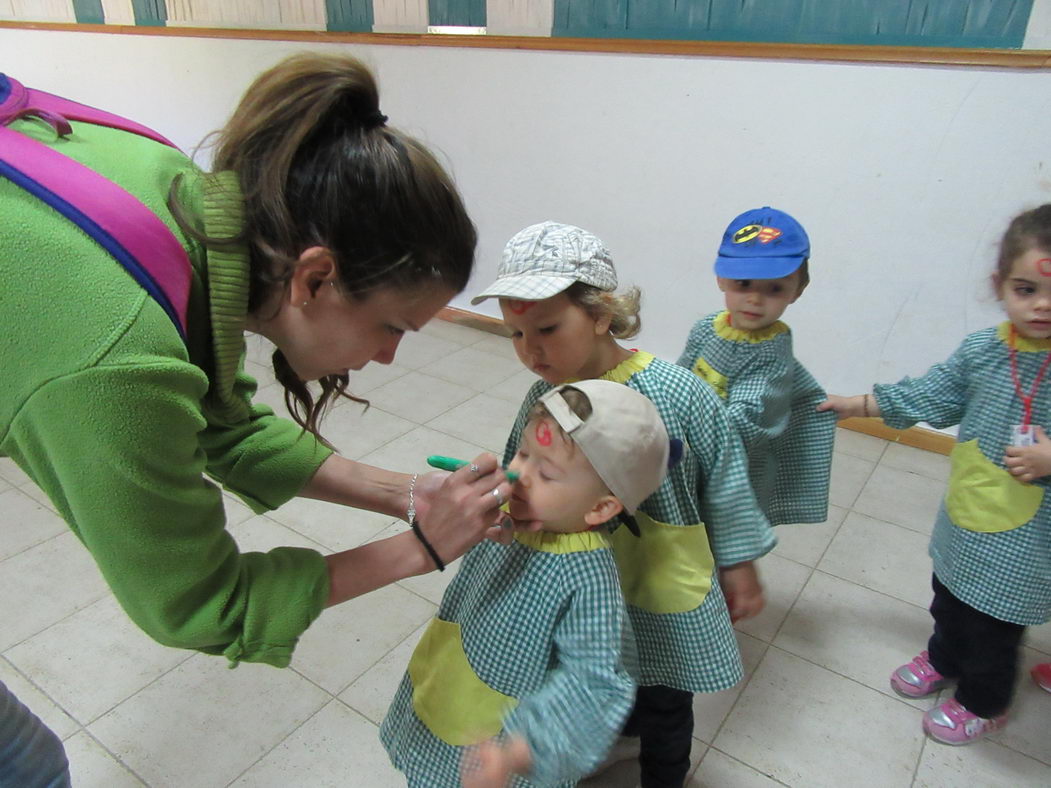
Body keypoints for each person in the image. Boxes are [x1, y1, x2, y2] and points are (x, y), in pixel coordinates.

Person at [0, 54, 510, 785]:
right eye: (392, 327)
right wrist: (420, 549)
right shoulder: (116, 360)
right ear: (314, 277)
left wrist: (406, 495)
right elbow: (200, 606)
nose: (390, 358)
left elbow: (221, 420)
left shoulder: (180, 192)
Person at [472, 221, 775, 788]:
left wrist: (739, 563)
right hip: (584, 576)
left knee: (664, 698)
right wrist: (514, 501)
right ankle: (610, 734)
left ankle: (663, 776)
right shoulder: (546, 395)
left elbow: (727, 481)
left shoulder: (678, 393)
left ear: (601, 314)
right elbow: (525, 469)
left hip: (660, 579)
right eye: (515, 334)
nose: (531, 350)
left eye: (547, 328)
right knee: (599, 670)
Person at [818, 204, 1051, 745]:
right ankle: (945, 655)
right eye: (1025, 290)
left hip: (1029, 535)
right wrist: (857, 403)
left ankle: (984, 701)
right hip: (969, 513)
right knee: (949, 592)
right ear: (999, 285)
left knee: (996, 626)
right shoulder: (983, 350)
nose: (1042, 306)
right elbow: (931, 392)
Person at [381, 379, 670, 787]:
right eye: (522, 453)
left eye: (546, 473)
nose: (518, 475)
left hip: (502, 748)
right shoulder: (508, 517)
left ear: (601, 507)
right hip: (452, 682)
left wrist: (518, 751)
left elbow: (594, 681)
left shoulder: (586, 576)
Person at [676, 206, 835, 525]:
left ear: (797, 291)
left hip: (732, 471)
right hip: (688, 451)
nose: (755, 299)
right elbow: (679, 378)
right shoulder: (707, 328)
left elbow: (745, 422)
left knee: (713, 543)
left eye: (775, 288)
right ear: (721, 278)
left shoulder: (771, 357)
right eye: (744, 283)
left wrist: (676, 433)